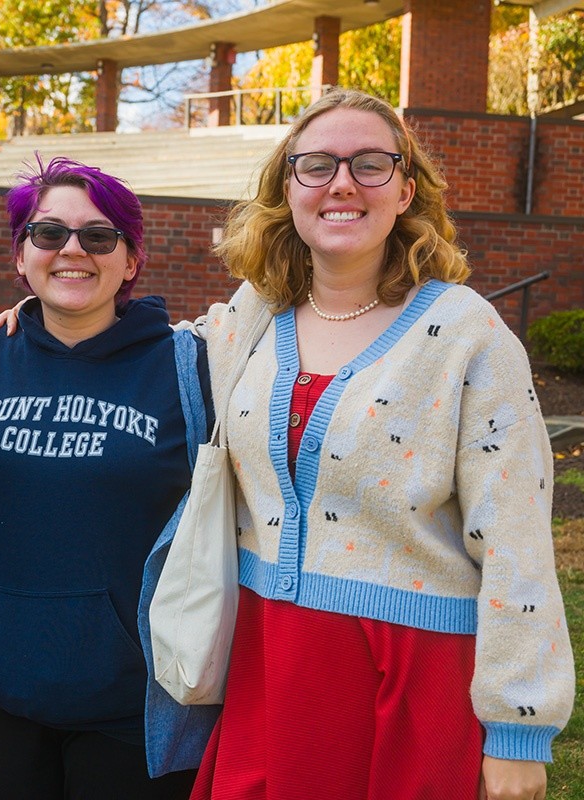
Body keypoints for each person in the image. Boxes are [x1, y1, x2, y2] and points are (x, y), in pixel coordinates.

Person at [186, 88, 574, 800]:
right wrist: (53, 304)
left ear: (405, 190)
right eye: (317, 165)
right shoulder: (255, 318)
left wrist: (520, 726)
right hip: (268, 657)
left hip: (411, 670)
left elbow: (516, 535)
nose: (341, 183)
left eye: (369, 164)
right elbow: (169, 346)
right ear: (288, 190)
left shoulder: (468, 333)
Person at [0, 156, 215, 800]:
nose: (73, 249)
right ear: (21, 254)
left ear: (131, 259)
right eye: (48, 234)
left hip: (135, 702)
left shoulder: (189, 367)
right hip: (0, 694)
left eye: (98, 236)